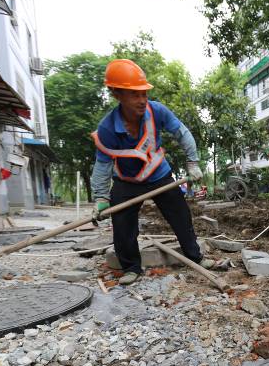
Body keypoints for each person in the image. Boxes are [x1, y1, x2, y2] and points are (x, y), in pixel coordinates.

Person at [90, 59, 212, 285]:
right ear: (117, 94)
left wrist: (193, 163)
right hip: (126, 181)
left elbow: (183, 134)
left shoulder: (157, 111)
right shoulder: (108, 128)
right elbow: (102, 165)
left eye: (144, 94)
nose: (142, 100)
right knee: (123, 225)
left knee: (181, 215)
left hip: (158, 175)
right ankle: (131, 268)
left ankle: (195, 256)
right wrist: (101, 198)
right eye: (134, 95)